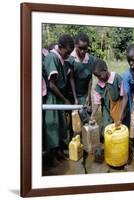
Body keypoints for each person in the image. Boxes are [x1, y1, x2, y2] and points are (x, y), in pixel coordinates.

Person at [43, 34, 77, 163]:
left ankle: (58, 151)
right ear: (60, 47)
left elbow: (68, 78)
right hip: (53, 98)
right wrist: (64, 99)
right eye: (67, 52)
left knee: (61, 125)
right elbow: (51, 84)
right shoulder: (52, 58)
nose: (68, 55)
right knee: (53, 126)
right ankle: (52, 154)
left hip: (59, 97)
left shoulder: (62, 59)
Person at [116, 44, 134, 164]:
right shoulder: (126, 75)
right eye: (128, 60)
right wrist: (119, 118)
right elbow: (125, 97)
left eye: (133, 59)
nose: (131, 63)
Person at [90, 59, 124, 141]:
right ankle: (109, 142)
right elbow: (96, 103)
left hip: (118, 105)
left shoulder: (117, 78)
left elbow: (123, 95)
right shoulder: (98, 86)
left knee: (119, 126)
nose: (99, 78)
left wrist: (121, 114)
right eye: (96, 77)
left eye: (99, 75)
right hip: (106, 109)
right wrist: (92, 115)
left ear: (105, 70)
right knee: (107, 128)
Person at [68, 33, 96, 112]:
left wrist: (88, 96)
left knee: (87, 114)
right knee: (74, 118)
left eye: (85, 48)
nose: (82, 51)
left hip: (85, 94)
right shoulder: (70, 59)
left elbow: (90, 78)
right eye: (80, 48)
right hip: (72, 94)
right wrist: (75, 98)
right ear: (75, 45)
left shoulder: (91, 60)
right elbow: (71, 78)